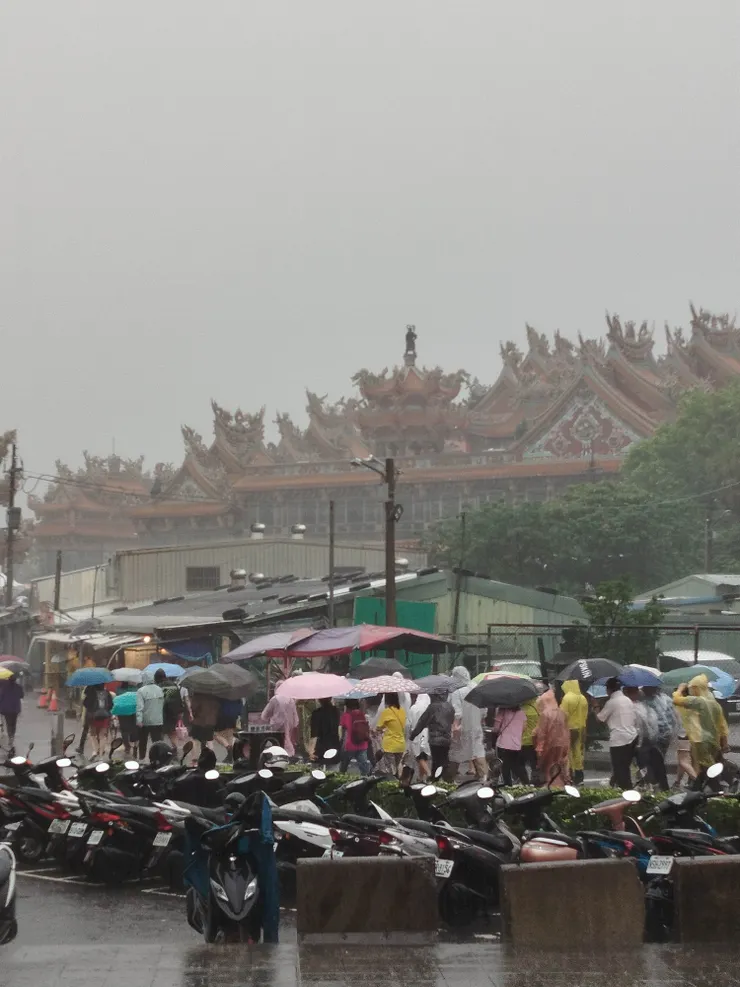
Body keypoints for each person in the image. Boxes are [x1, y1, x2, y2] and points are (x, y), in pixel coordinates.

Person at [672, 674, 729, 788]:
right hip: (713, 740)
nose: (691, 690)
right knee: (703, 769)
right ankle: (697, 788)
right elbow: (722, 726)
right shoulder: (714, 703)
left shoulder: (699, 701)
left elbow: (676, 700)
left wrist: (680, 688)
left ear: (697, 688)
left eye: (692, 688)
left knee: (708, 769)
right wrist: (725, 742)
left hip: (700, 740)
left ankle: (718, 792)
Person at [595, 678, 638, 790]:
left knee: (620, 768)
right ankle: (613, 783)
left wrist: (595, 706)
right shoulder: (627, 700)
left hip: (619, 739)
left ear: (609, 689)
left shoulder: (612, 702)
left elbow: (599, 719)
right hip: (632, 737)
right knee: (624, 766)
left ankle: (627, 792)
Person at [447, 666, 487, 782]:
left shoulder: (457, 693)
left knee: (455, 755)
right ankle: (484, 779)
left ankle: (449, 781)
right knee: (478, 752)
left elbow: (457, 713)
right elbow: (484, 711)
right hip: (476, 726)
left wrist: (455, 728)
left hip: (462, 728)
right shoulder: (477, 689)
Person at [624, 686, 664, 790]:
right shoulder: (643, 706)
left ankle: (648, 784)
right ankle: (646, 783)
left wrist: (638, 743)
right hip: (649, 738)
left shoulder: (632, 707)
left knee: (641, 763)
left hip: (638, 739)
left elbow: (638, 726)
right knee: (644, 762)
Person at [410, 691, 454, 778]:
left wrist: (413, 735)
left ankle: (435, 780)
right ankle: (445, 780)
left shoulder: (432, 707)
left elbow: (422, 722)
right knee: (444, 759)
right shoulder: (450, 706)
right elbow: (451, 720)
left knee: (436, 761)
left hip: (435, 738)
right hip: (447, 738)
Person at [532, 689, 570, 787]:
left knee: (548, 768)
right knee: (559, 766)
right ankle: (560, 784)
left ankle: (551, 785)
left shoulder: (545, 714)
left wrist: (539, 748)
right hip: (562, 744)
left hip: (549, 745)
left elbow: (541, 733)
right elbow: (566, 731)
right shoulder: (563, 713)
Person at [560, 680, 588, 786]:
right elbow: (585, 716)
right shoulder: (583, 698)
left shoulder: (567, 698)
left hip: (569, 728)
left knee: (569, 752)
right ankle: (580, 775)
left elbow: (562, 715)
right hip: (580, 727)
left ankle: (570, 775)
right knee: (578, 751)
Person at [493, 705, 528, 785]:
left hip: (503, 743)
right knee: (515, 765)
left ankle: (508, 785)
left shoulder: (502, 710)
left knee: (505, 766)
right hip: (516, 744)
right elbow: (524, 727)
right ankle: (526, 783)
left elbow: (496, 728)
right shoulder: (522, 712)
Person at [260, 685, 299, 756]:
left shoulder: (275, 699)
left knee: (276, 744)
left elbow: (264, 715)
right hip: (289, 727)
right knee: (287, 742)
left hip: (276, 728)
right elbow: (295, 718)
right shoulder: (291, 700)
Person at [136, 669, 166, 760]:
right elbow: (163, 704)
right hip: (158, 720)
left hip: (145, 721)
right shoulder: (160, 689)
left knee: (143, 741)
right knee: (157, 742)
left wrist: (139, 720)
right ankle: (157, 759)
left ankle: (142, 758)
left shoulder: (141, 691)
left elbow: (139, 707)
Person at [402, 693, 431, 785]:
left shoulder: (413, 708)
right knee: (424, 756)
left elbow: (408, 723)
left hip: (416, 733)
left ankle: (429, 774)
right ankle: (421, 778)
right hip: (427, 733)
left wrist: (407, 735)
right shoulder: (429, 708)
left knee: (419, 756)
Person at [375, 692, 407, 775]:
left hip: (390, 745)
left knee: (391, 771)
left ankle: (392, 785)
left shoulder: (387, 712)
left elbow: (379, 727)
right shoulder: (402, 711)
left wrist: (380, 730)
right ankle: (399, 784)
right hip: (401, 744)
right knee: (397, 769)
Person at [339, 699, 371, 775]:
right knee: (364, 767)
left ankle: (340, 780)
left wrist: (341, 743)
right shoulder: (362, 714)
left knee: (344, 766)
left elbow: (343, 731)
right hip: (363, 744)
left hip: (350, 745)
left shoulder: (345, 715)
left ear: (347, 706)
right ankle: (366, 781)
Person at [83, 683, 113, 759]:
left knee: (92, 735)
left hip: (93, 717)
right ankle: (100, 755)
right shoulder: (107, 693)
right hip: (105, 717)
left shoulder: (91, 692)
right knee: (102, 736)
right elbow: (111, 705)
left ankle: (95, 750)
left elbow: (85, 704)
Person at [189, 692, 221, 760]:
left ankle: (194, 759)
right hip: (211, 721)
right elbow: (218, 708)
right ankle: (211, 758)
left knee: (195, 740)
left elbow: (193, 707)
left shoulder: (198, 696)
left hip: (199, 722)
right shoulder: (214, 696)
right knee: (209, 740)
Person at [309, 697, 340, 764]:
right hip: (335, 746)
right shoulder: (336, 711)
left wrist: (311, 751)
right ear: (330, 698)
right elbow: (339, 729)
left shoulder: (316, 713)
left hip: (320, 747)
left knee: (320, 769)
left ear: (319, 699)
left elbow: (314, 734)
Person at [112, 684, 139, 756]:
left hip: (122, 712)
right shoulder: (135, 695)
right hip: (133, 713)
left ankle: (127, 747)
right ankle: (135, 746)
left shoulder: (118, 696)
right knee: (135, 730)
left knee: (124, 731)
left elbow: (114, 707)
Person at [0, 673, 23, 751]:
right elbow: (21, 695)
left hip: (6, 708)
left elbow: (1, 696)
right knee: (13, 723)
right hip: (15, 708)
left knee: (8, 723)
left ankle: (10, 737)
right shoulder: (18, 687)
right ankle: (12, 735)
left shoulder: (3, 686)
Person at [214, 698, 242, 763]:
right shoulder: (236, 694)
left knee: (216, 735)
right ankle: (230, 756)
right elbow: (240, 706)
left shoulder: (222, 694)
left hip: (221, 715)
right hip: (233, 716)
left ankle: (228, 748)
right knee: (230, 736)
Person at [161, 678, 185, 750]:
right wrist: (180, 711)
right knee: (172, 731)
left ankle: (160, 747)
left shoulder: (159, 686)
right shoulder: (174, 686)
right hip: (173, 712)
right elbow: (178, 699)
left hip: (163, 712)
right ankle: (175, 747)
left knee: (161, 732)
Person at [520, 697, 539, 783]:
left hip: (524, 740)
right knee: (534, 762)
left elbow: (522, 727)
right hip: (535, 740)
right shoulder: (536, 708)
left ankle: (524, 781)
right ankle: (535, 779)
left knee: (520, 763)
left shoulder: (522, 710)